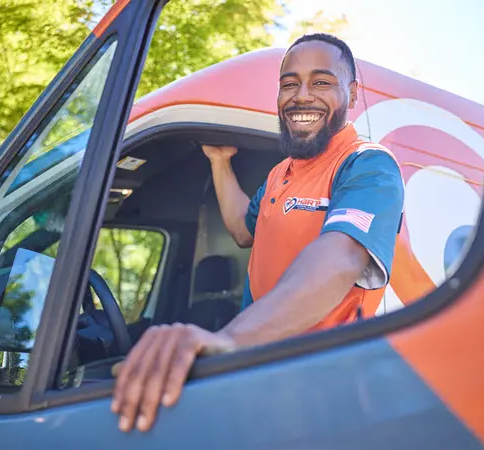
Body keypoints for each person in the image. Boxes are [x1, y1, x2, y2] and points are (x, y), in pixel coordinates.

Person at [111, 33, 405, 432]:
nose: (302, 95)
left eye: (321, 82)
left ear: (352, 95)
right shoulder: (279, 174)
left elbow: (341, 258)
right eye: (289, 83)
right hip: (257, 381)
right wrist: (219, 162)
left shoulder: (367, 165)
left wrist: (231, 340)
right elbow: (242, 229)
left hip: (322, 399)